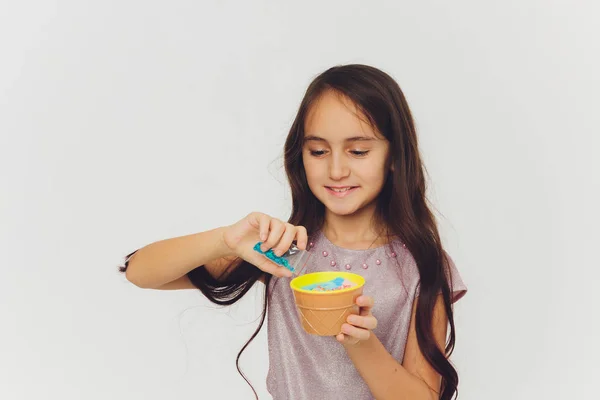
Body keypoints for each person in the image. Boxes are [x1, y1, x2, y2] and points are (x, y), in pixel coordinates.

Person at [120, 64, 467, 400]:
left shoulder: (421, 265)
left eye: (358, 151)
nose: (336, 169)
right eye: (318, 151)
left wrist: (362, 343)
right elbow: (140, 271)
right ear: (300, 156)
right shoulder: (286, 250)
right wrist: (224, 240)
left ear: (394, 156)